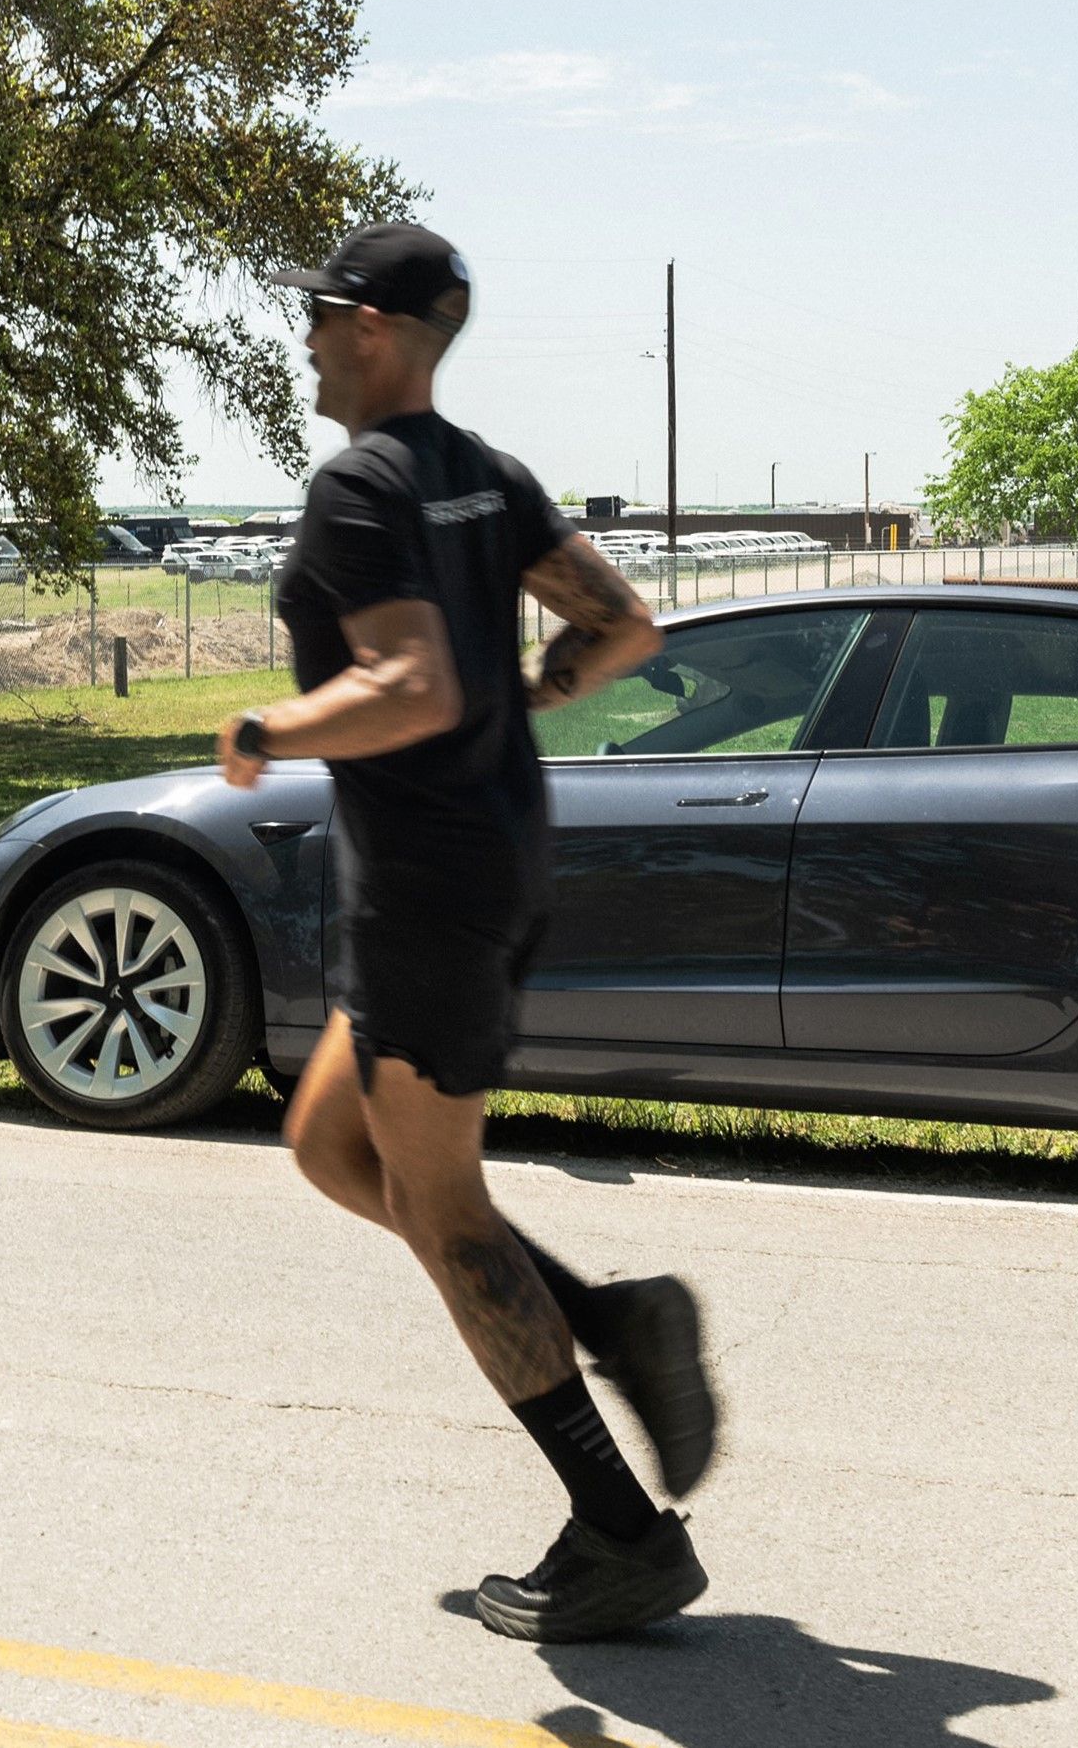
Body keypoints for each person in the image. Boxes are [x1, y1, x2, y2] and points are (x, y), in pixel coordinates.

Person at [216, 222, 717, 1643]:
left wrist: (270, 726)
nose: (305, 340)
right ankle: (610, 1321)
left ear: (373, 326)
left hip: (427, 884)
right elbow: (622, 625)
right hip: (487, 859)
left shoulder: (360, 485)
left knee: (444, 1212)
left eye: (317, 313)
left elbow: (414, 687)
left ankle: (621, 1529)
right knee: (330, 1145)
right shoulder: (483, 476)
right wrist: (537, 691)